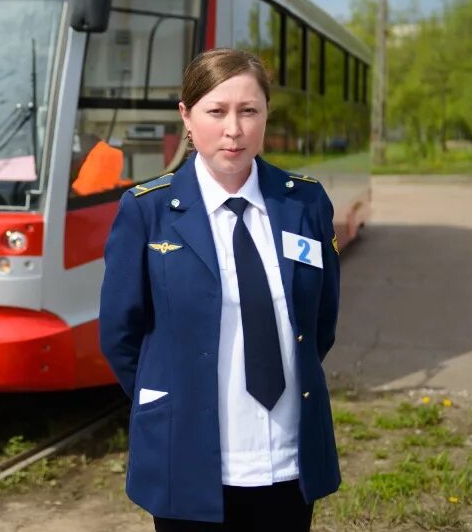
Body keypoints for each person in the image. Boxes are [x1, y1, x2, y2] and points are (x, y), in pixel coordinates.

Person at [99, 48, 341, 531]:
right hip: (186, 459)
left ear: (266, 116)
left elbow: (320, 324)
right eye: (217, 111)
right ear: (187, 117)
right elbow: (120, 336)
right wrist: (170, 398)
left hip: (287, 461)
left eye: (249, 111)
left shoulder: (304, 203)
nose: (234, 129)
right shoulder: (147, 212)